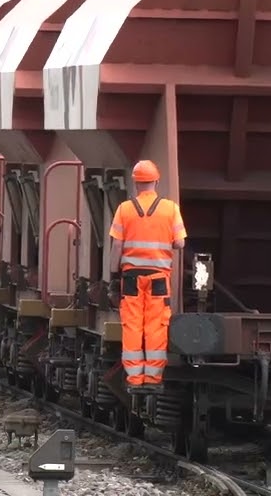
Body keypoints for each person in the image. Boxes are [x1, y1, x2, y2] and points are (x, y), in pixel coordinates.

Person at [108, 159, 186, 393]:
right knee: (156, 325)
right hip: (158, 278)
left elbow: (116, 246)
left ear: (135, 184)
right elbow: (180, 243)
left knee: (132, 324)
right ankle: (153, 378)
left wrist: (114, 274)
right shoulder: (170, 208)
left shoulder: (124, 209)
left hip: (131, 278)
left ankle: (134, 378)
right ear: (156, 181)